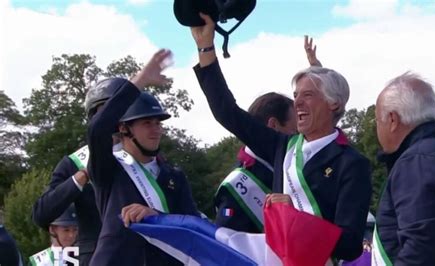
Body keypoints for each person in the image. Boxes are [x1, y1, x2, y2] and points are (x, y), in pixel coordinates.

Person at [191, 13, 372, 262]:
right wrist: (205, 47)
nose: (297, 101)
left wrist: (296, 217)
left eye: (308, 95)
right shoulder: (282, 146)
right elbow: (227, 112)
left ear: (334, 104)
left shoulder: (352, 164)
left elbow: (350, 245)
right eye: (296, 94)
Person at [87, 49, 200, 265]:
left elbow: (192, 226)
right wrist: (140, 81)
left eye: (158, 123)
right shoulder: (109, 169)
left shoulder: (175, 177)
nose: (156, 129)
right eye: (147, 123)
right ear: (124, 128)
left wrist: (155, 216)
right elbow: (97, 129)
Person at [373, 72, 435, 265]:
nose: (377, 129)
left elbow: (419, 247)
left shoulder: (416, 162)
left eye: (377, 121)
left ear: (392, 120)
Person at [31, 81, 112, 265]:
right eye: (107, 111)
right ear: (94, 118)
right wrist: (81, 177)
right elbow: (41, 213)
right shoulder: (73, 163)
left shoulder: (146, 160)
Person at [214, 92, 296, 233]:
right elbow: (228, 245)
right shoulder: (236, 187)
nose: (300, 139)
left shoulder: (294, 168)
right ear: (274, 125)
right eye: (295, 131)